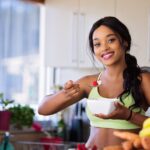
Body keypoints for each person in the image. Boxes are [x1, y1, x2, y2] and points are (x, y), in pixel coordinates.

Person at [38, 16, 150, 149]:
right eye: (97, 44)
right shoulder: (90, 83)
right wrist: (65, 93)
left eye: (111, 40)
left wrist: (128, 115)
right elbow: (43, 109)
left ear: (124, 42)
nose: (104, 48)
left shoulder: (142, 80)